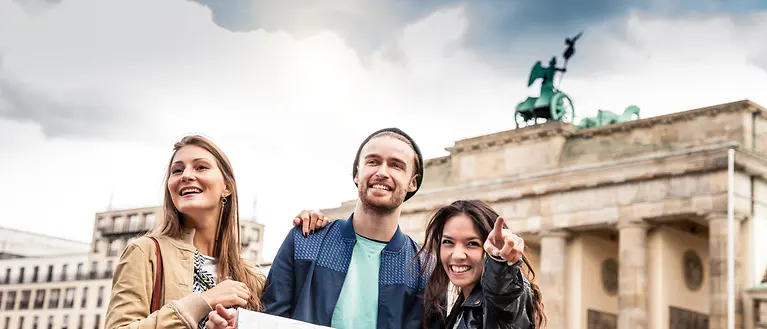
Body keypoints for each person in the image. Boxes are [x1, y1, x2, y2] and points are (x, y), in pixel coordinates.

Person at [207, 127, 430, 329]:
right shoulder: (305, 240)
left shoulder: (424, 267)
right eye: (373, 161)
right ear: (356, 173)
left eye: (396, 165)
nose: (382, 171)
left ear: (412, 182)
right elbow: (268, 321)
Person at [105, 135, 326, 329]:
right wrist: (203, 301)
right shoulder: (145, 252)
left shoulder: (252, 278)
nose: (186, 175)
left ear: (227, 187)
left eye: (200, 167)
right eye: (177, 170)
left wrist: (314, 233)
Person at [417, 200, 545, 329]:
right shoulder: (460, 310)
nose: (457, 255)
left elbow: (503, 292)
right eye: (448, 241)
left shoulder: (500, 303)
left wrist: (499, 260)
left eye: (472, 243)